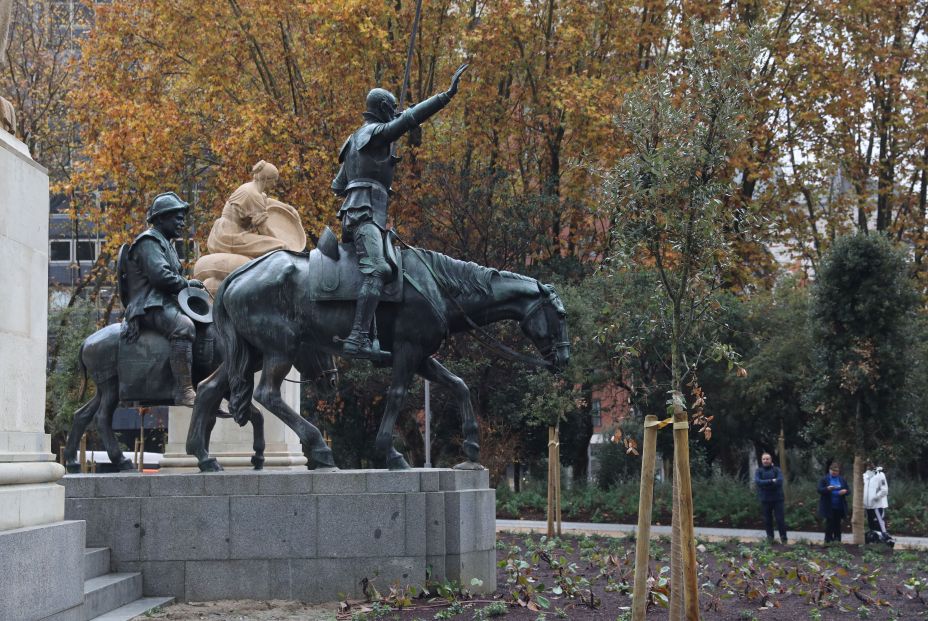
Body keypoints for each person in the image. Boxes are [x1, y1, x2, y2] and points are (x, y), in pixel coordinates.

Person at [331, 63, 468, 359]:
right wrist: (445, 95)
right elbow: (406, 120)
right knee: (378, 269)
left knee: (391, 270)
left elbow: (337, 185)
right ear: (381, 107)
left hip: (362, 213)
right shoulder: (374, 133)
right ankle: (357, 337)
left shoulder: (357, 139)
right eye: (391, 108)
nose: (394, 113)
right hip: (363, 214)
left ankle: (377, 332)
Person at [122, 192, 206, 407]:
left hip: (164, 301)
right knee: (184, 327)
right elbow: (161, 277)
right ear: (161, 219)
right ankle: (184, 390)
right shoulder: (148, 241)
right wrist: (187, 283)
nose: (182, 223)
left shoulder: (166, 243)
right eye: (177, 218)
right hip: (149, 304)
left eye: (182, 218)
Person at [207, 160, 297, 258]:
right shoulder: (253, 194)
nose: (274, 184)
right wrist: (280, 241)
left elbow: (268, 202)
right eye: (274, 180)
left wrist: (289, 208)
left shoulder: (253, 190)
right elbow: (264, 230)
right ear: (266, 179)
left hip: (226, 230)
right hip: (229, 236)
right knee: (281, 246)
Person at [754, 452, 788, 544]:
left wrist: (765, 484)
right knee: (767, 521)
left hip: (778, 499)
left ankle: (784, 539)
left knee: (780, 520)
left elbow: (779, 482)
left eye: (767, 459)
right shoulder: (759, 471)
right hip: (765, 499)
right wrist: (771, 481)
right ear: (761, 460)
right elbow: (758, 482)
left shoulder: (777, 470)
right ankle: (770, 539)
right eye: (764, 459)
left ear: (771, 460)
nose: (765, 461)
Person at [817, 461, 850, 543]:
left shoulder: (842, 479)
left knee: (838, 524)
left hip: (839, 506)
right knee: (829, 524)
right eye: (833, 471)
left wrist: (845, 491)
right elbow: (819, 490)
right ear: (829, 470)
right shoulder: (824, 479)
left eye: (836, 471)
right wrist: (827, 489)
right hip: (829, 506)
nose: (835, 473)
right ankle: (828, 541)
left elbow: (848, 490)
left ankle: (837, 541)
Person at [863, 461, 893, 545]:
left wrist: (875, 497)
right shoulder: (865, 476)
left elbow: (884, 490)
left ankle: (885, 542)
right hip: (868, 506)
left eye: (871, 463)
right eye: (868, 464)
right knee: (871, 526)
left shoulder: (880, 475)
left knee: (879, 525)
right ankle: (873, 543)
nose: (869, 465)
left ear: (875, 464)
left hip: (877, 506)